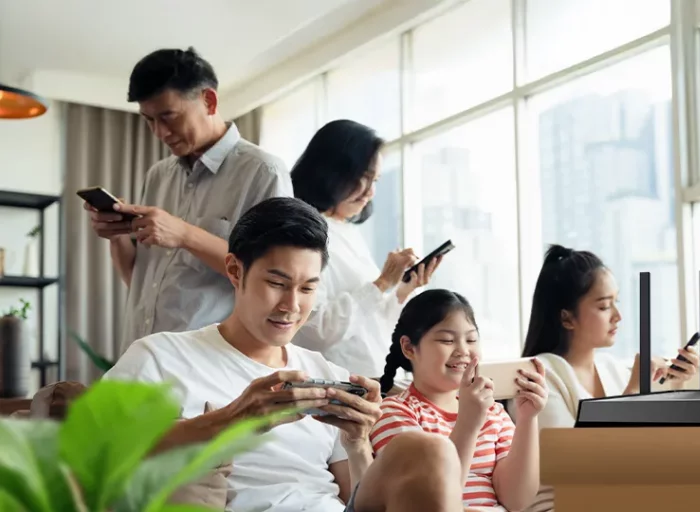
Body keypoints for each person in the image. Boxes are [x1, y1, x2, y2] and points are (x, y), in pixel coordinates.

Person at [104, 197, 466, 512]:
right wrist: (233, 420)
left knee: (430, 450)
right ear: (235, 270)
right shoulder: (160, 356)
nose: (292, 306)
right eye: (277, 283)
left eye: (308, 288)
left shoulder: (321, 370)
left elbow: (355, 496)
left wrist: (356, 442)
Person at [84, 46, 292, 348]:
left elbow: (275, 278)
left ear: (209, 100)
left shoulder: (263, 172)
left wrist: (184, 234)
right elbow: (141, 282)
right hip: (143, 354)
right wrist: (117, 235)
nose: (160, 132)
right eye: (149, 120)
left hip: (209, 365)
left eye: (168, 116)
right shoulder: (158, 175)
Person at [514, 244, 700, 512]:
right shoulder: (536, 376)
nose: (618, 316)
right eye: (604, 306)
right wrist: (635, 388)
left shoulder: (613, 370)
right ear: (567, 318)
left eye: (617, 302)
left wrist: (676, 382)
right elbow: (572, 465)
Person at [370, 290, 547, 512]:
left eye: (471, 339)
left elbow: (517, 500)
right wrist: (469, 423)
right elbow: (426, 500)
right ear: (408, 347)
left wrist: (527, 419)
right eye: (447, 340)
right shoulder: (394, 411)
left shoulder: (493, 412)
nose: (463, 351)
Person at [291, 119, 441, 377]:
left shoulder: (347, 231)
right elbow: (316, 330)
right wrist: (382, 283)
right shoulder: (301, 232)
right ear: (332, 171)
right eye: (364, 178)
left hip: (374, 377)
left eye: (376, 181)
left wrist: (403, 288)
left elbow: (373, 321)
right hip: (335, 383)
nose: (370, 192)